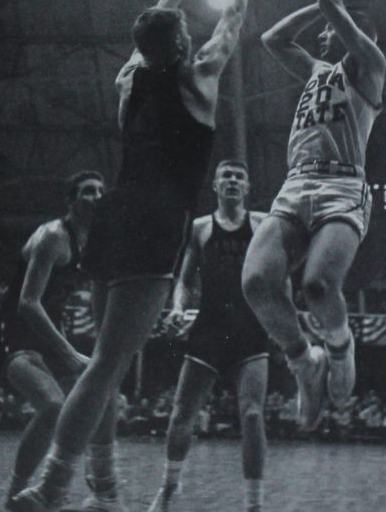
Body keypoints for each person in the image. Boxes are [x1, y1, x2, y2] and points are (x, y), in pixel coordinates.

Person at [11, 0, 268, 512]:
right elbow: (232, 22)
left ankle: (83, 491)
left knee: (104, 364)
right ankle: (50, 489)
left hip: (114, 216)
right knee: (105, 367)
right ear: (180, 42)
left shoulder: (129, 81)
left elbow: (148, 32)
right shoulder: (199, 77)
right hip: (155, 219)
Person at [241, 0, 386, 430]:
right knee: (257, 282)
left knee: (318, 286)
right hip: (296, 181)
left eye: (341, 25)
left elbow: (329, 3)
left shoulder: (371, 62)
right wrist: (322, 9)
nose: (330, 31)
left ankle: (341, 348)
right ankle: (305, 361)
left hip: (343, 184)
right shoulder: (317, 72)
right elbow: (271, 38)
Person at [147, 161, 277, 512]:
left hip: (250, 328)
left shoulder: (263, 224)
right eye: (226, 176)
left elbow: (282, 267)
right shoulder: (201, 228)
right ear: (216, 186)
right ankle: (169, 487)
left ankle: (254, 504)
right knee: (181, 415)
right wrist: (177, 308)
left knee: (252, 415)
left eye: (239, 177)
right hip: (210, 326)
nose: (233, 181)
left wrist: (280, 312)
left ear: (247, 187)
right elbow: (185, 281)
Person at [0, 172, 104, 506]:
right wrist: (69, 351)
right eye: (87, 192)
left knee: (93, 400)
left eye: (101, 191)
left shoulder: (94, 242)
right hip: (17, 331)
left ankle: (89, 484)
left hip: (51, 331)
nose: (96, 197)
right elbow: (28, 303)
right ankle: (12, 495)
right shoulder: (53, 236)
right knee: (54, 407)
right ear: (70, 201)